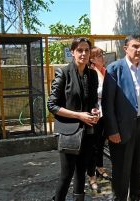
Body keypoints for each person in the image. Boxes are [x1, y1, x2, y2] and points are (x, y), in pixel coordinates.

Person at [102, 34, 140, 201]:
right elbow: (107, 103)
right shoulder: (114, 69)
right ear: (125, 48)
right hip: (121, 127)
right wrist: (112, 130)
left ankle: (136, 197)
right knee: (121, 169)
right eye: (135, 46)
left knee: (139, 166)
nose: (139, 50)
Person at [47, 38, 99, 201]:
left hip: (88, 131)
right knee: (67, 174)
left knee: (81, 171)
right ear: (72, 52)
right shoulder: (63, 73)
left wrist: (94, 111)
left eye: (87, 50)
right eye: (80, 50)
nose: (84, 53)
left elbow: (92, 102)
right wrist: (79, 115)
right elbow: (52, 105)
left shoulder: (92, 74)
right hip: (69, 131)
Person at [87, 47, 111, 191]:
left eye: (102, 55)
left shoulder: (105, 71)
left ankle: (100, 168)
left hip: (105, 114)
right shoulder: (91, 73)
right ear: (92, 59)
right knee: (92, 146)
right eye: (99, 55)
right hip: (94, 113)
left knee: (101, 142)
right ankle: (91, 175)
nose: (103, 57)